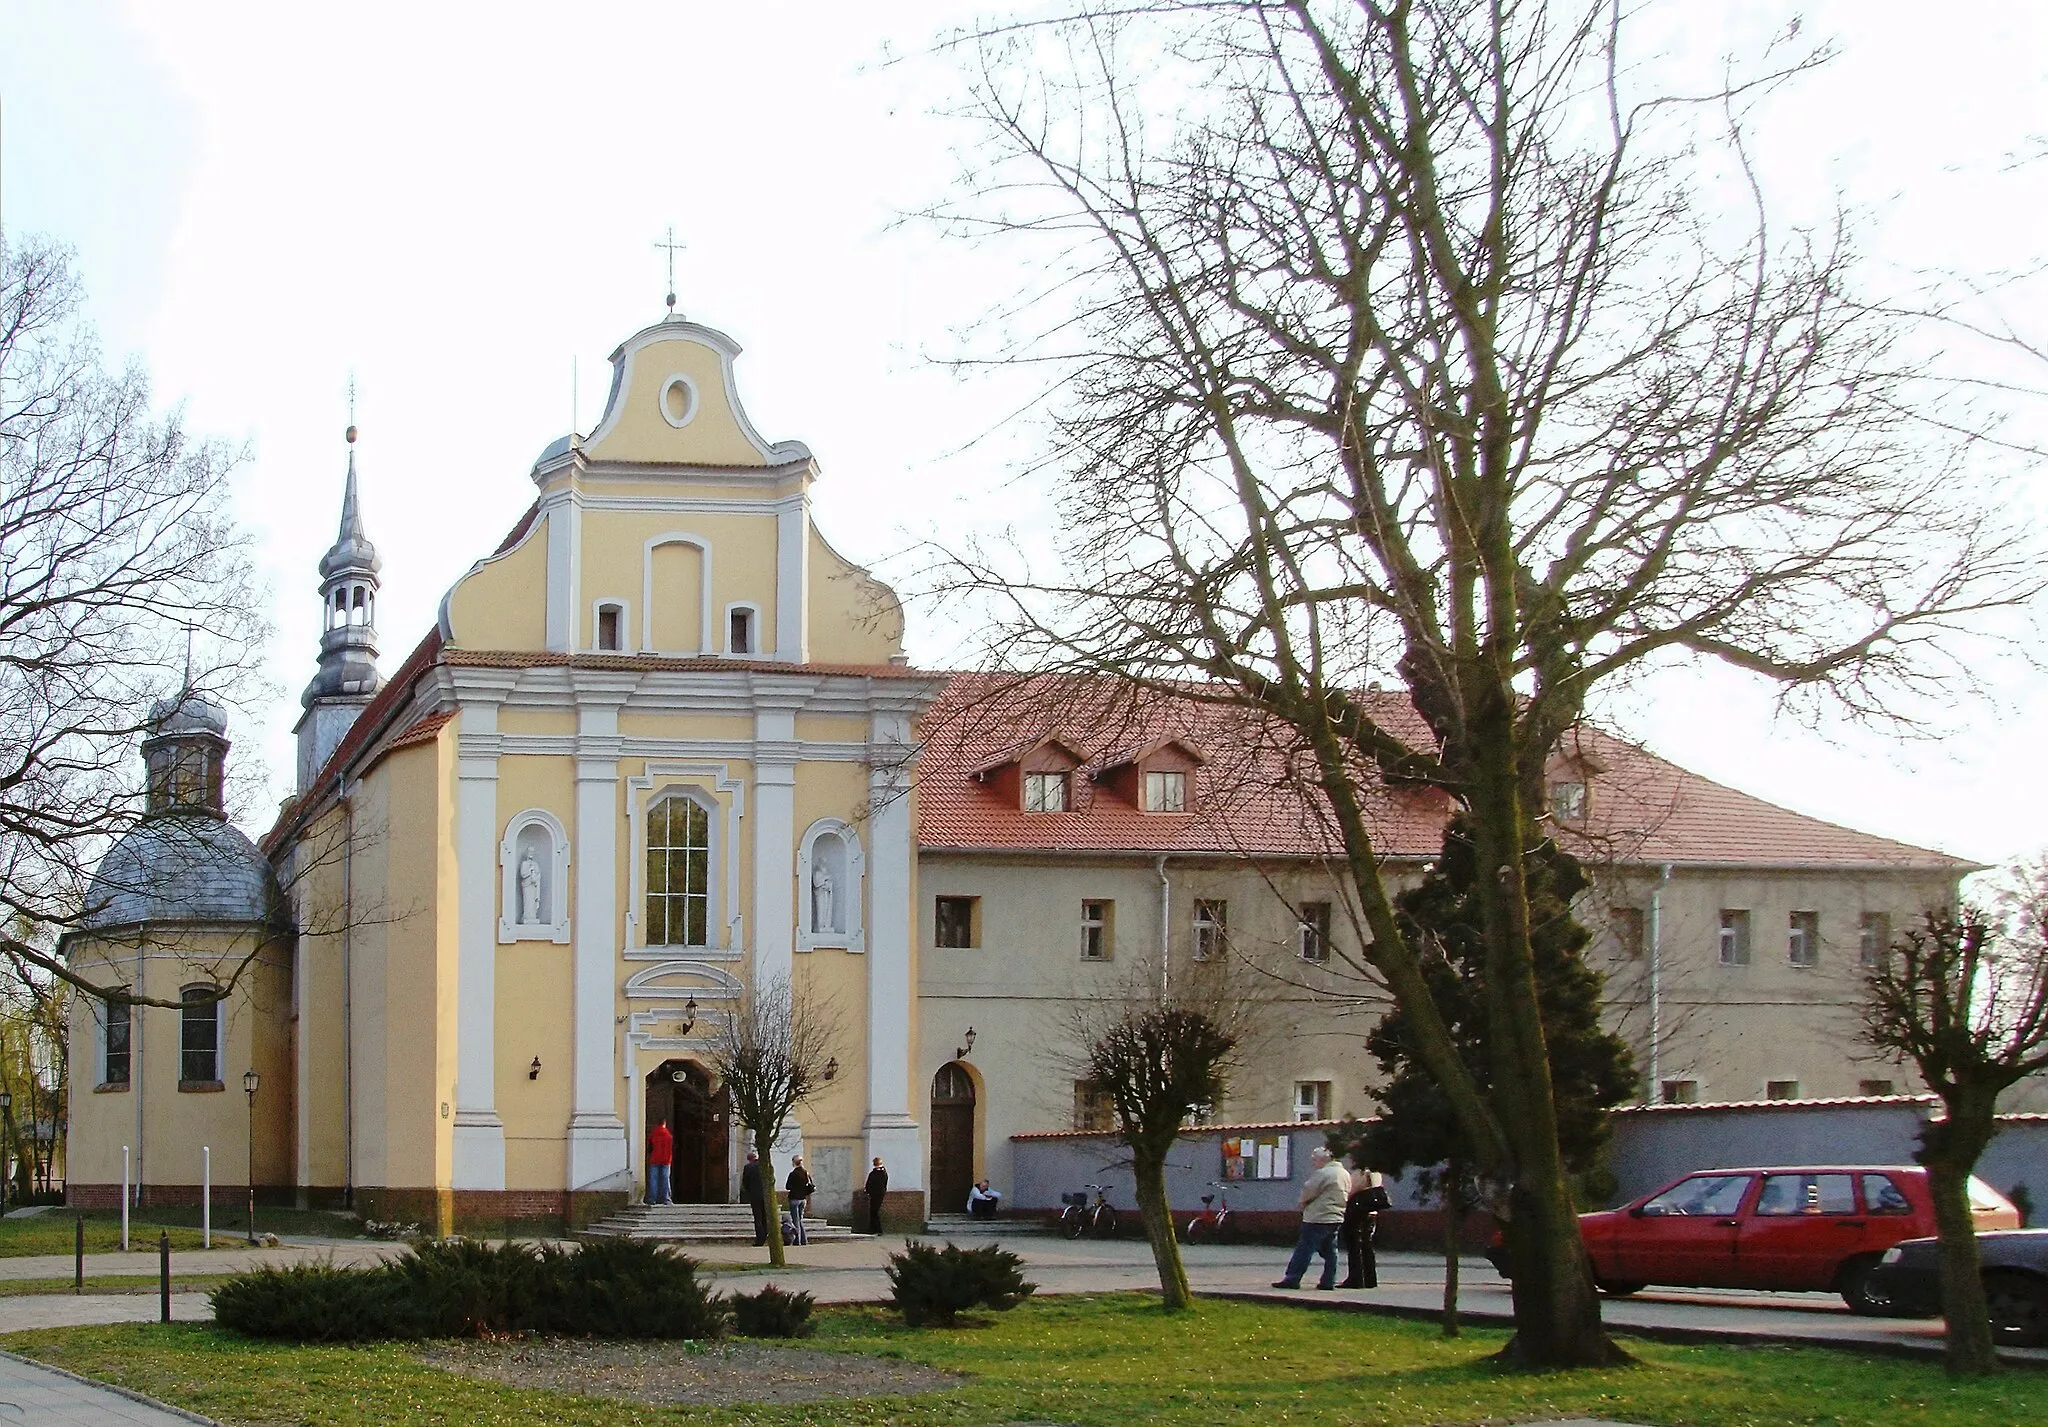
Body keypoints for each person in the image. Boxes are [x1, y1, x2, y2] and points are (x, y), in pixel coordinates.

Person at [1273, 1145, 1349, 1290]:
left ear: (1322, 1159)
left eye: (1314, 1160)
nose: (1313, 1163)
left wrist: (1301, 1203)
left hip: (1318, 1217)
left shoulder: (1324, 1173)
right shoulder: (1344, 1173)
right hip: (1336, 1216)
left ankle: (1292, 1278)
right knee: (1330, 1251)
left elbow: (1309, 1190)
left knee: (1305, 1248)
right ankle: (1328, 1281)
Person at [1340, 1164, 1392, 1289]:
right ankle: (1370, 1278)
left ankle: (1356, 1278)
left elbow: (1352, 1190)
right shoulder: (1377, 1173)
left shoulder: (1361, 1172)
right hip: (1372, 1212)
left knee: (1354, 1245)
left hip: (1359, 1212)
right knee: (1367, 1245)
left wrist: (1344, 1201)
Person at [785, 1155, 816, 1245]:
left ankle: (797, 1240)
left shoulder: (793, 1174)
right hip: (803, 1199)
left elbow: (788, 1186)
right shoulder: (806, 1173)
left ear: (794, 1163)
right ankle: (804, 1240)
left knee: (795, 1220)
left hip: (794, 1198)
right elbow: (811, 1186)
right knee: (800, 1219)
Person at [739, 1150, 766, 1246]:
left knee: (758, 1218)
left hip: (754, 1195)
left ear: (749, 1159)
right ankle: (766, 1235)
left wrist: (748, 1192)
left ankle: (760, 1239)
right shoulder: (764, 1165)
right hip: (766, 1195)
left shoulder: (748, 1167)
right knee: (765, 1217)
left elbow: (745, 1182)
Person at [646, 1119, 673, 1206]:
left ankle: (652, 1199)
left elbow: (650, 1147)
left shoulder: (653, 1135)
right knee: (665, 1179)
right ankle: (666, 1199)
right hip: (666, 1160)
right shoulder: (669, 1136)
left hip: (654, 1159)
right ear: (664, 1124)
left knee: (653, 1179)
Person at [864, 1156, 889, 1236]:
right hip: (878, 1194)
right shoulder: (882, 1172)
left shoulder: (876, 1173)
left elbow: (871, 1183)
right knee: (874, 1211)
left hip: (876, 1195)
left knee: (874, 1211)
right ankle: (874, 1229)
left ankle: (876, 1229)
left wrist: (868, 1191)